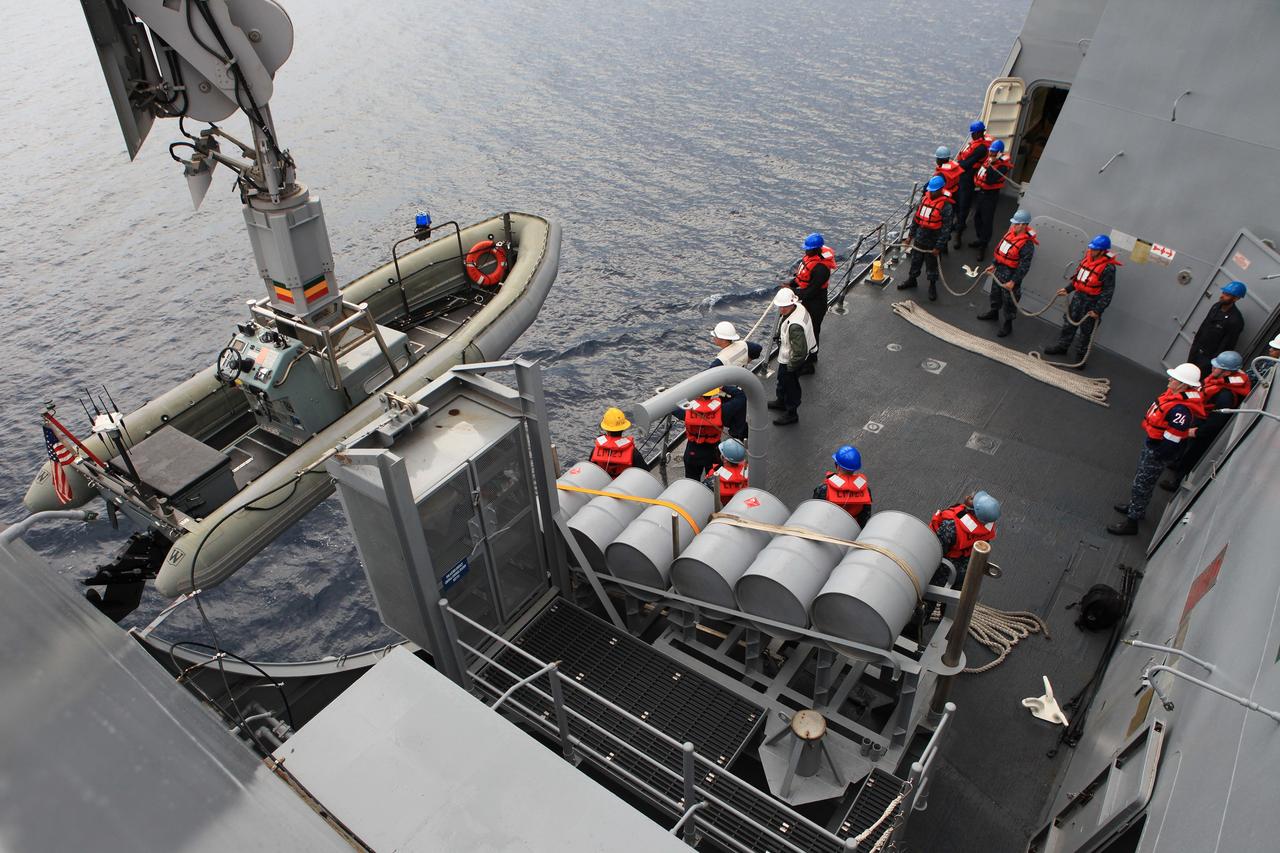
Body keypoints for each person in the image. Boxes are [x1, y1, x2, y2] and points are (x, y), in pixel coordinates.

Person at [1108, 363, 1200, 535]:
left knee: (1142, 484)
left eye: (1175, 379)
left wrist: (1157, 455)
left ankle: (1132, 522)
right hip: (1152, 445)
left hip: (1157, 452)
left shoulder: (1180, 410)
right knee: (1141, 481)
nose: (1170, 379)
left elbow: (1172, 439)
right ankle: (1137, 508)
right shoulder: (1173, 398)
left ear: (1184, 385)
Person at [1160, 351, 1252, 490]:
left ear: (1226, 373)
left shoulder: (1226, 396)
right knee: (1186, 446)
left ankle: (1177, 482)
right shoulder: (1220, 381)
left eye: (1217, 367)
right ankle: (1178, 463)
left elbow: (1217, 421)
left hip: (1205, 426)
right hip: (1201, 417)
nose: (1212, 368)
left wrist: (1197, 432)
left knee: (1193, 453)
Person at [1043, 235, 1121, 367]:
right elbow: (1079, 278)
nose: (1091, 251)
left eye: (1095, 249)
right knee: (1069, 323)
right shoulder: (1087, 259)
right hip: (1078, 298)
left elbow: (1108, 291)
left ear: (1102, 251)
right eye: (1091, 248)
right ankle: (1063, 346)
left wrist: (1098, 310)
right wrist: (1068, 289)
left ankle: (1080, 356)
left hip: (1092, 303)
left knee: (1086, 331)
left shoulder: (1108, 268)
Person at [977, 209, 1037, 337]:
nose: (1014, 225)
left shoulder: (1027, 244)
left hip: (1011, 275)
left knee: (1010, 301)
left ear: (1023, 225)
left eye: (1016, 223)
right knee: (995, 293)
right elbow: (1001, 251)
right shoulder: (1010, 234)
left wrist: (1013, 281)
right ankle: (994, 312)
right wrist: (994, 264)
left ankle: (1008, 323)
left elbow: (1024, 266)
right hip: (999, 271)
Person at [896, 175, 954, 302]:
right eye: (930, 190)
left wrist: (939, 247)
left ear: (940, 190)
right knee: (916, 260)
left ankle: (932, 286)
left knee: (931, 265)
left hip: (933, 240)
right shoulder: (924, 200)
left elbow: (946, 229)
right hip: (920, 238)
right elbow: (916, 219)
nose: (931, 192)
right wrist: (910, 236)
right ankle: (912, 279)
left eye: (934, 190)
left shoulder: (946, 206)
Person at [929, 491, 1000, 587]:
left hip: (945, 571)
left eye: (972, 499)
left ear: (974, 511)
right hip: (966, 569)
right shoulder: (987, 527)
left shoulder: (951, 527)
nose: (971, 497)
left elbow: (936, 551)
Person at [789, 232, 836, 373]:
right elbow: (801, 279)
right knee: (809, 330)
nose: (806, 251)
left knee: (811, 331)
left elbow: (811, 292)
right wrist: (791, 284)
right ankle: (812, 355)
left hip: (816, 303)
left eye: (808, 248)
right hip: (809, 300)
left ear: (816, 249)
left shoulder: (821, 269)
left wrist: (793, 292)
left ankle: (809, 364)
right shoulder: (811, 259)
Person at [766, 288, 814, 426]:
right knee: (782, 380)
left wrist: (791, 367)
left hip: (792, 360)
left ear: (790, 304)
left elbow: (799, 351)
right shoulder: (798, 307)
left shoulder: (795, 326)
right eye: (780, 306)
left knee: (791, 386)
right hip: (790, 356)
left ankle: (792, 413)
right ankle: (781, 401)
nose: (781, 309)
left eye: (783, 307)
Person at [709, 320, 764, 440]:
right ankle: (743, 434)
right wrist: (747, 359)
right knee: (739, 416)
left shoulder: (720, 360)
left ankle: (737, 438)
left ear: (723, 340)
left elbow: (708, 380)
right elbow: (757, 348)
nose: (713, 338)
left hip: (728, 394)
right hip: (740, 388)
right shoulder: (742, 345)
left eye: (716, 336)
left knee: (729, 419)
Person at [1187, 281, 1247, 376]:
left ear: (1236, 298)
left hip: (1208, 359)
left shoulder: (1235, 320)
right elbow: (1203, 327)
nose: (1222, 296)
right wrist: (1194, 347)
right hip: (1196, 351)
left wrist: (1214, 364)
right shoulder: (1216, 306)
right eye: (1223, 292)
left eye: (1227, 295)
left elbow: (1227, 345)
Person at [952, 120, 993, 249]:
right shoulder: (972, 144)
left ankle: (959, 234)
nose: (972, 135)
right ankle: (958, 223)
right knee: (956, 202)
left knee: (964, 205)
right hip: (960, 176)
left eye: (974, 133)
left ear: (980, 133)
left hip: (968, 178)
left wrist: (953, 165)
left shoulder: (981, 148)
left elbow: (968, 163)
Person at [969, 139, 1012, 259]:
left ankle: (983, 245)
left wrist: (992, 164)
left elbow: (990, 180)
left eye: (994, 153)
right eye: (991, 152)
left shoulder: (1002, 167)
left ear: (999, 153)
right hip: (981, 193)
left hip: (990, 195)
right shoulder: (989, 160)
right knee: (978, 217)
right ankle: (980, 239)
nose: (991, 154)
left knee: (987, 220)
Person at [813, 444, 872, 526]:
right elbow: (865, 517)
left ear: (837, 466)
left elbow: (814, 513)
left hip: (827, 527)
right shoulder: (866, 490)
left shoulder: (824, 489)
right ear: (855, 468)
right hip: (851, 530)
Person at [681, 388, 726, 481]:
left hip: (693, 451)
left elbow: (670, 406)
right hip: (713, 452)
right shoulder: (724, 410)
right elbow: (740, 397)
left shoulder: (685, 410)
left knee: (692, 481)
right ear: (713, 394)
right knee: (714, 481)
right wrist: (723, 387)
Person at [590, 407, 639, 477]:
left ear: (606, 429)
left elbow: (589, 470)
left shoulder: (595, 450)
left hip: (601, 485)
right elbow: (645, 473)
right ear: (623, 428)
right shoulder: (633, 452)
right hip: (624, 486)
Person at [702, 438, 749, 506]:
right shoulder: (750, 472)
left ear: (724, 459)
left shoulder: (714, 474)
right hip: (743, 506)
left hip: (722, 508)